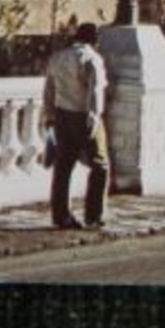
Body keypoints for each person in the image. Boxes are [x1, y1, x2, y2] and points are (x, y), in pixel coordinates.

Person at [42, 22, 109, 229]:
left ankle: (61, 215)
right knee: (100, 165)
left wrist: (50, 118)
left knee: (63, 166)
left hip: (62, 116)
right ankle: (94, 214)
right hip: (83, 115)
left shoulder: (57, 58)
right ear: (94, 40)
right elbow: (95, 91)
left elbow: (48, 91)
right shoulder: (91, 59)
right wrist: (94, 117)